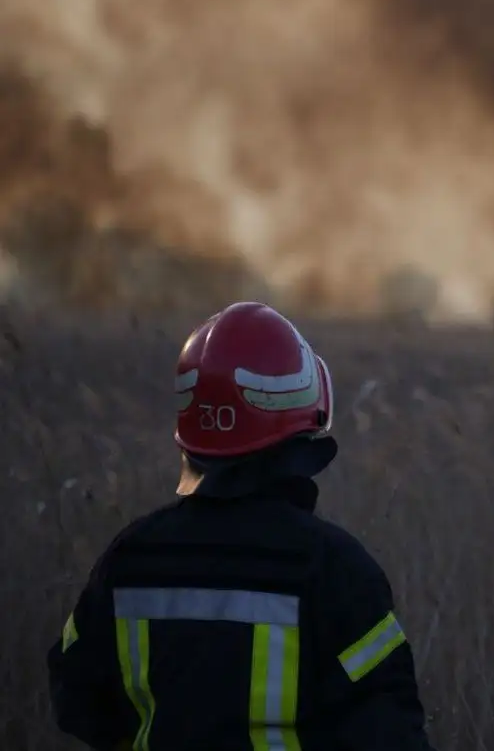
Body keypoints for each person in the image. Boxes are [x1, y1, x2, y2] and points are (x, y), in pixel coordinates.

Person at [48, 302, 434, 751]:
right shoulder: (335, 571)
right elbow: (389, 732)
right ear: (301, 416)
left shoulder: (130, 559)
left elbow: (75, 694)